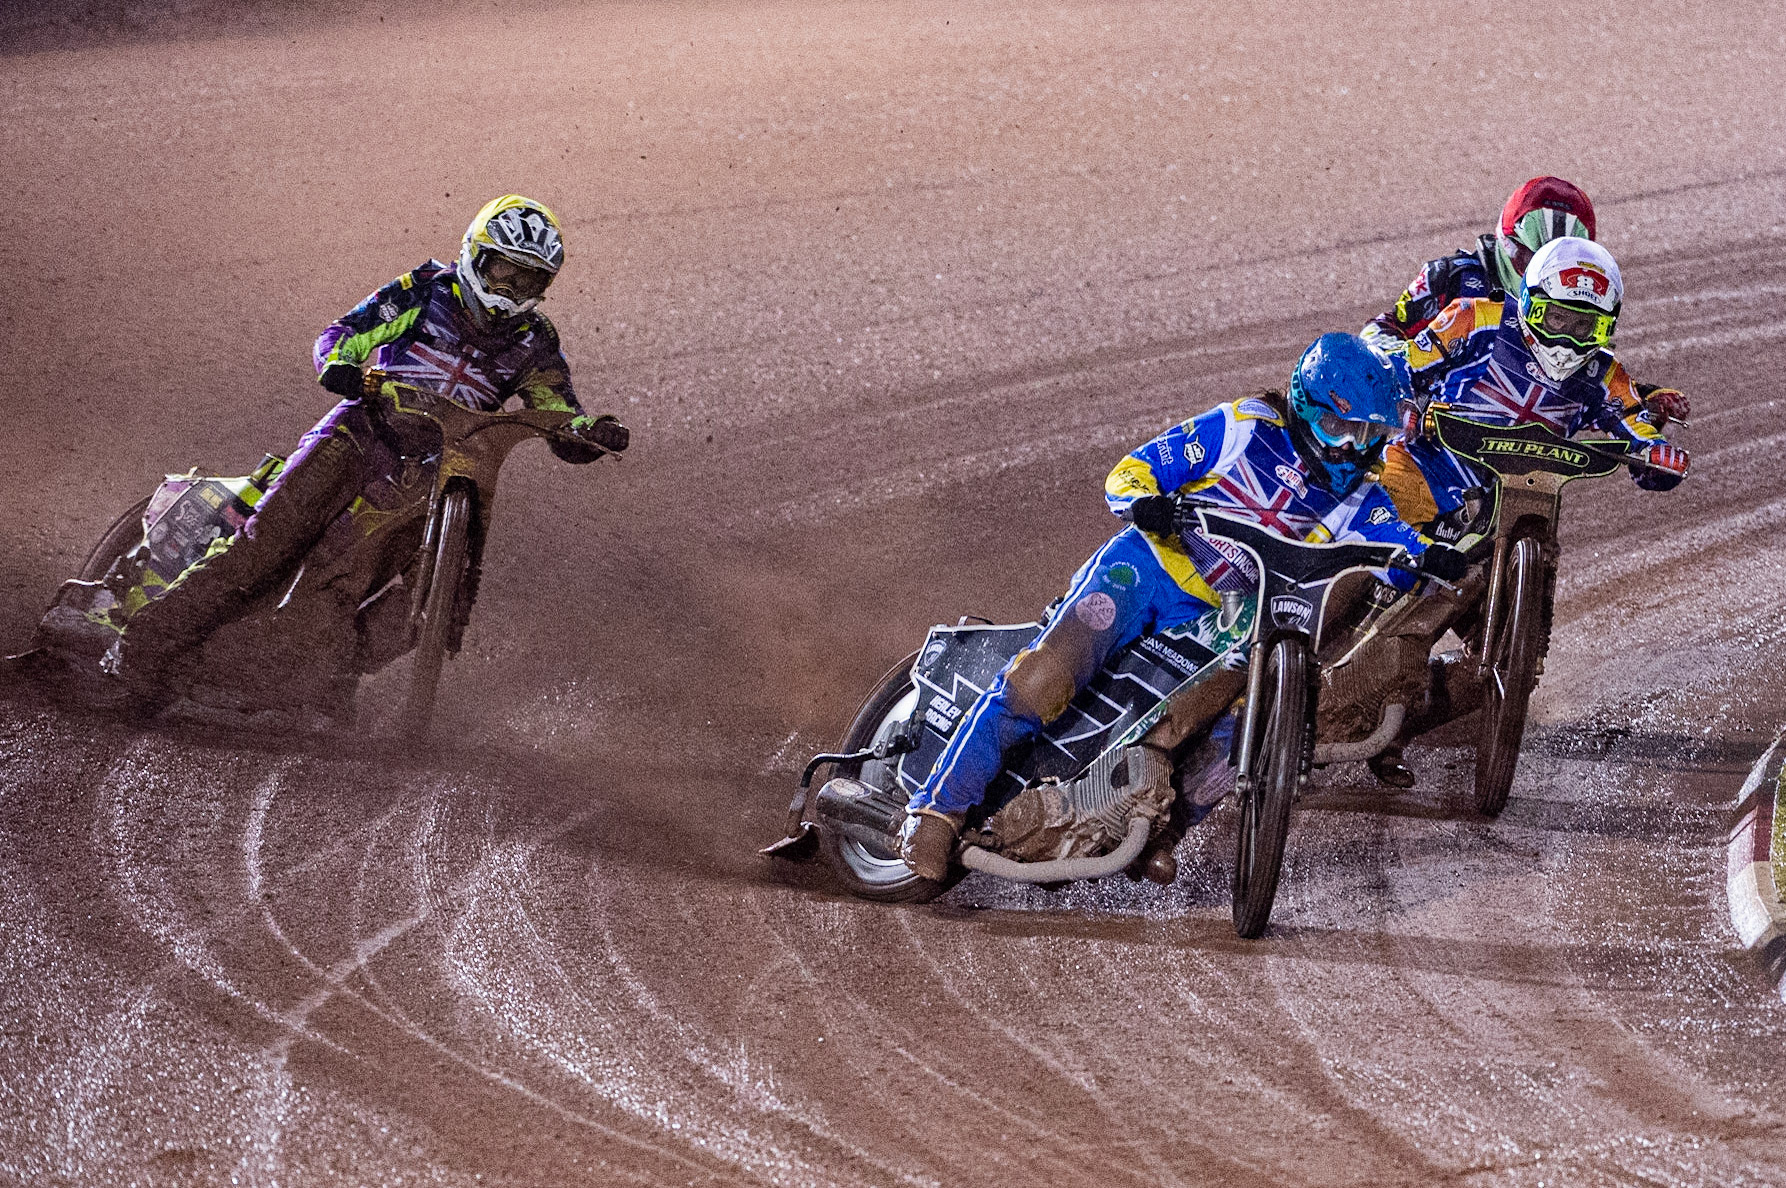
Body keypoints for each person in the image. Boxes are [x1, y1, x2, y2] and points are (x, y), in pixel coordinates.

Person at [897, 333, 1467, 880]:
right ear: (1304, 403)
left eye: (1367, 433)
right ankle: (935, 811)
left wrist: (1433, 558)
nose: (1350, 447)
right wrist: (1146, 503)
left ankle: (1162, 831)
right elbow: (1132, 471)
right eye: (1339, 427)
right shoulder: (1243, 427)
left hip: (1230, 614)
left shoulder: (1362, 494)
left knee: (1239, 723)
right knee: (1043, 679)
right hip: (1146, 567)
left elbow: (1397, 547)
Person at [108, 194, 628, 707]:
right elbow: (345, 333)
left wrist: (592, 432)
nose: (511, 291)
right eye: (503, 272)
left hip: (431, 473)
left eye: (529, 280)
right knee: (264, 544)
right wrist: (339, 365)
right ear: (475, 254)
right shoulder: (427, 289)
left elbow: (559, 410)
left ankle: (312, 673)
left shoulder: (537, 341)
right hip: (362, 431)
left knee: (387, 590)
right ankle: (140, 649)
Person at [1359, 235, 1690, 786]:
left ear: (1606, 327)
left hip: (1509, 521)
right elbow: (1399, 365)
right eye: (1557, 318)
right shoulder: (1474, 320)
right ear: (1530, 302)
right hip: (1421, 477)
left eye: (1584, 325)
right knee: (1365, 562)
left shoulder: (1604, 375)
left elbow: (1635, 428)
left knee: (1521, 655)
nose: (1567, 337)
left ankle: (1395, 726)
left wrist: (1657, 455)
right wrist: (1403, 403)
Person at [1362, 176, 1689, 426]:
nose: (1539, 274)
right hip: (1423, 420)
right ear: (1506, 244)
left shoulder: (1574, 309)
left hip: (1511, 439)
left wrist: (1643, 398)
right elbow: (1379, 330)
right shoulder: (1452, 277)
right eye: (1529, 259)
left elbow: (1581, 372)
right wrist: (1405, 379)